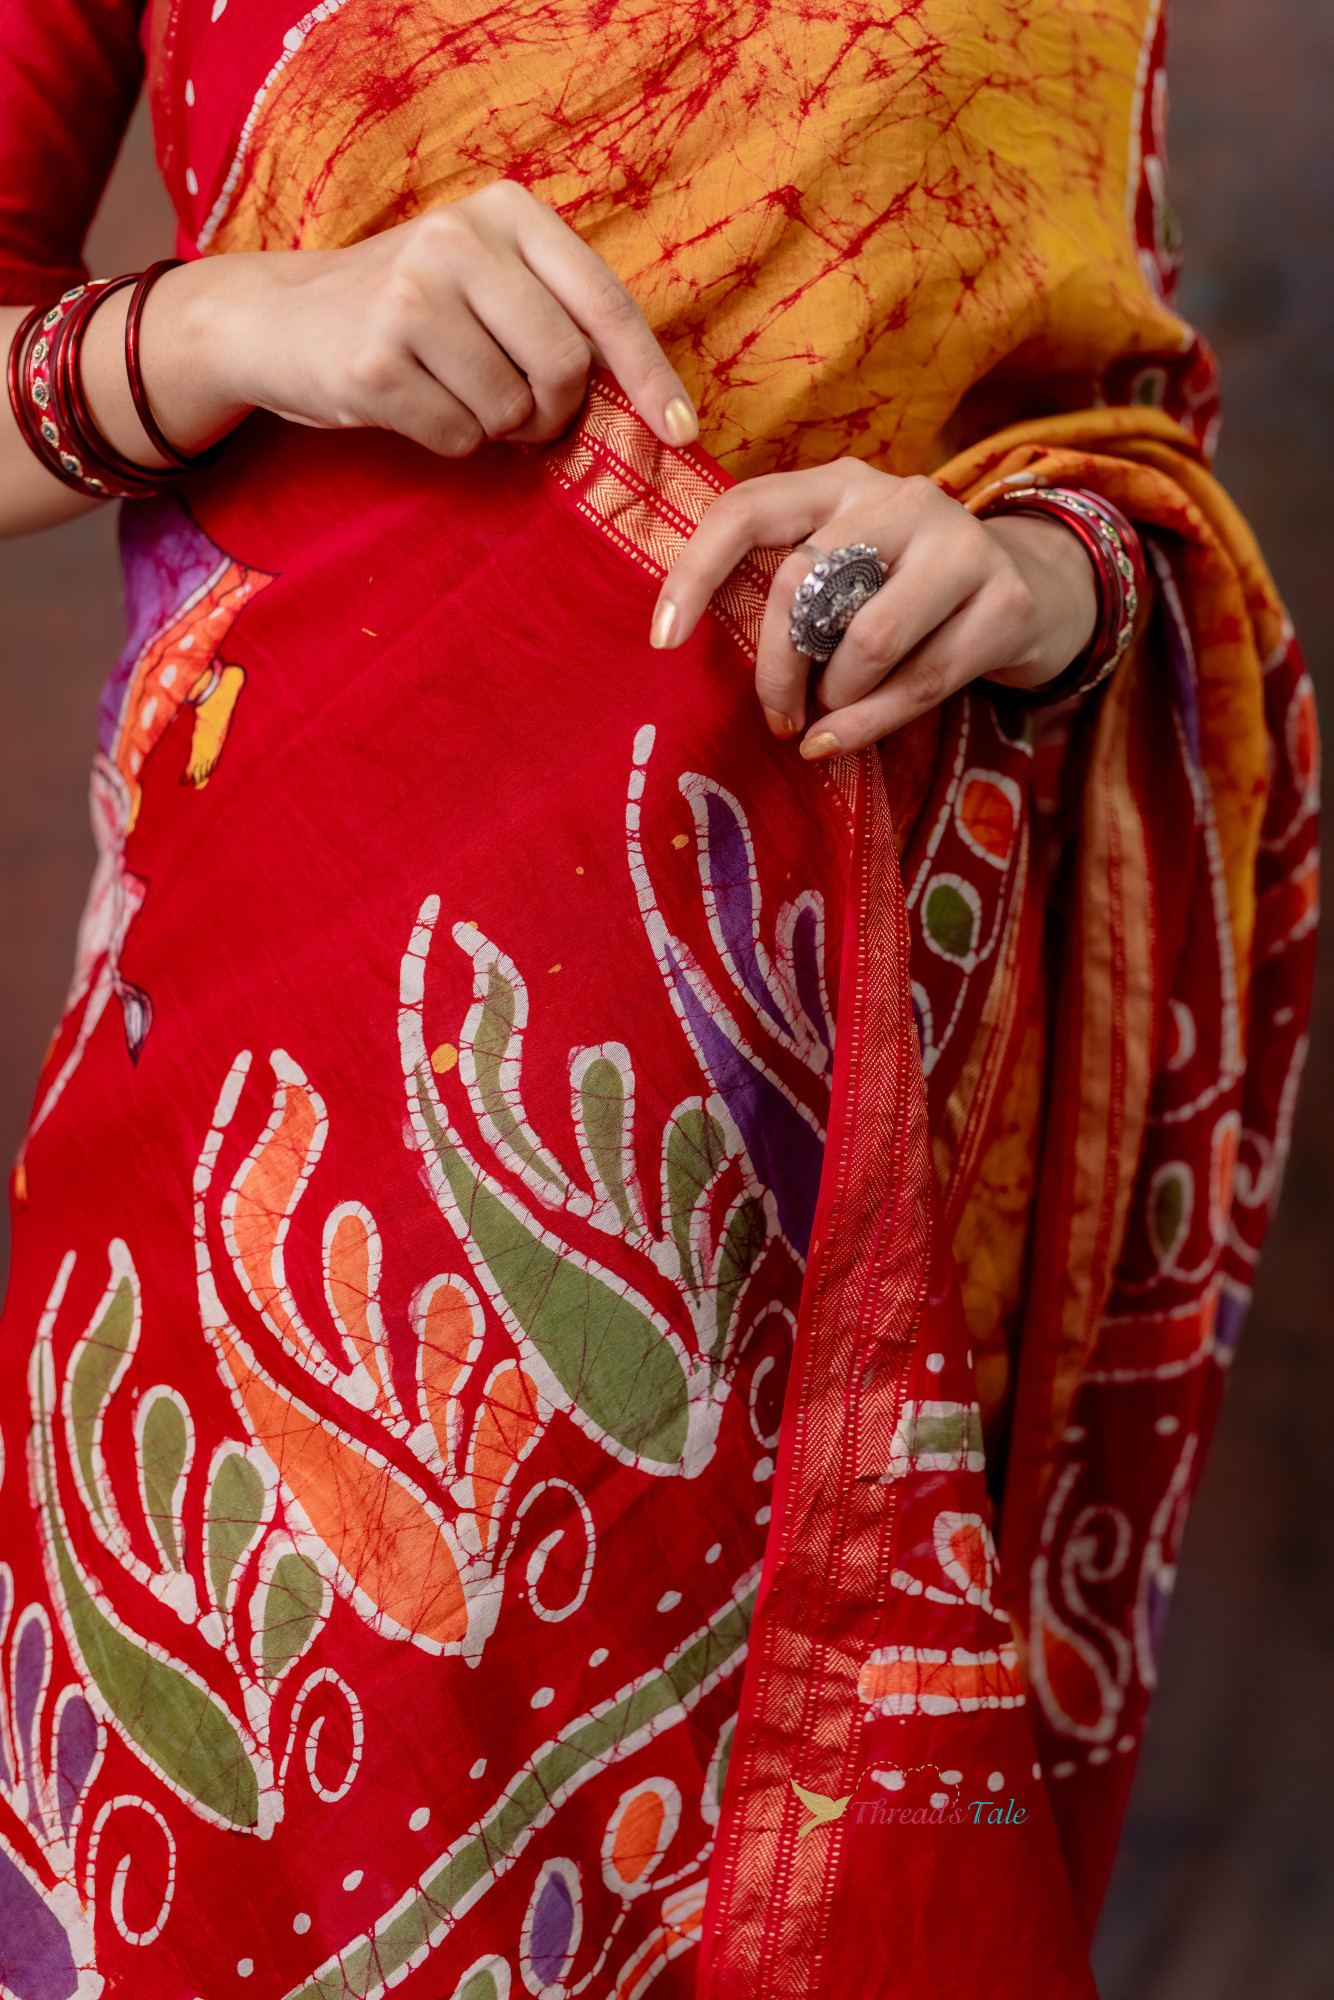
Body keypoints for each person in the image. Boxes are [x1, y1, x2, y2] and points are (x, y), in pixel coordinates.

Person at [0, 1, 1315, 1995]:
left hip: (852, 1143)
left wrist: (1029, 574)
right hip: (290, 1162)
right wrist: (234, 324)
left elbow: (1120, 413)